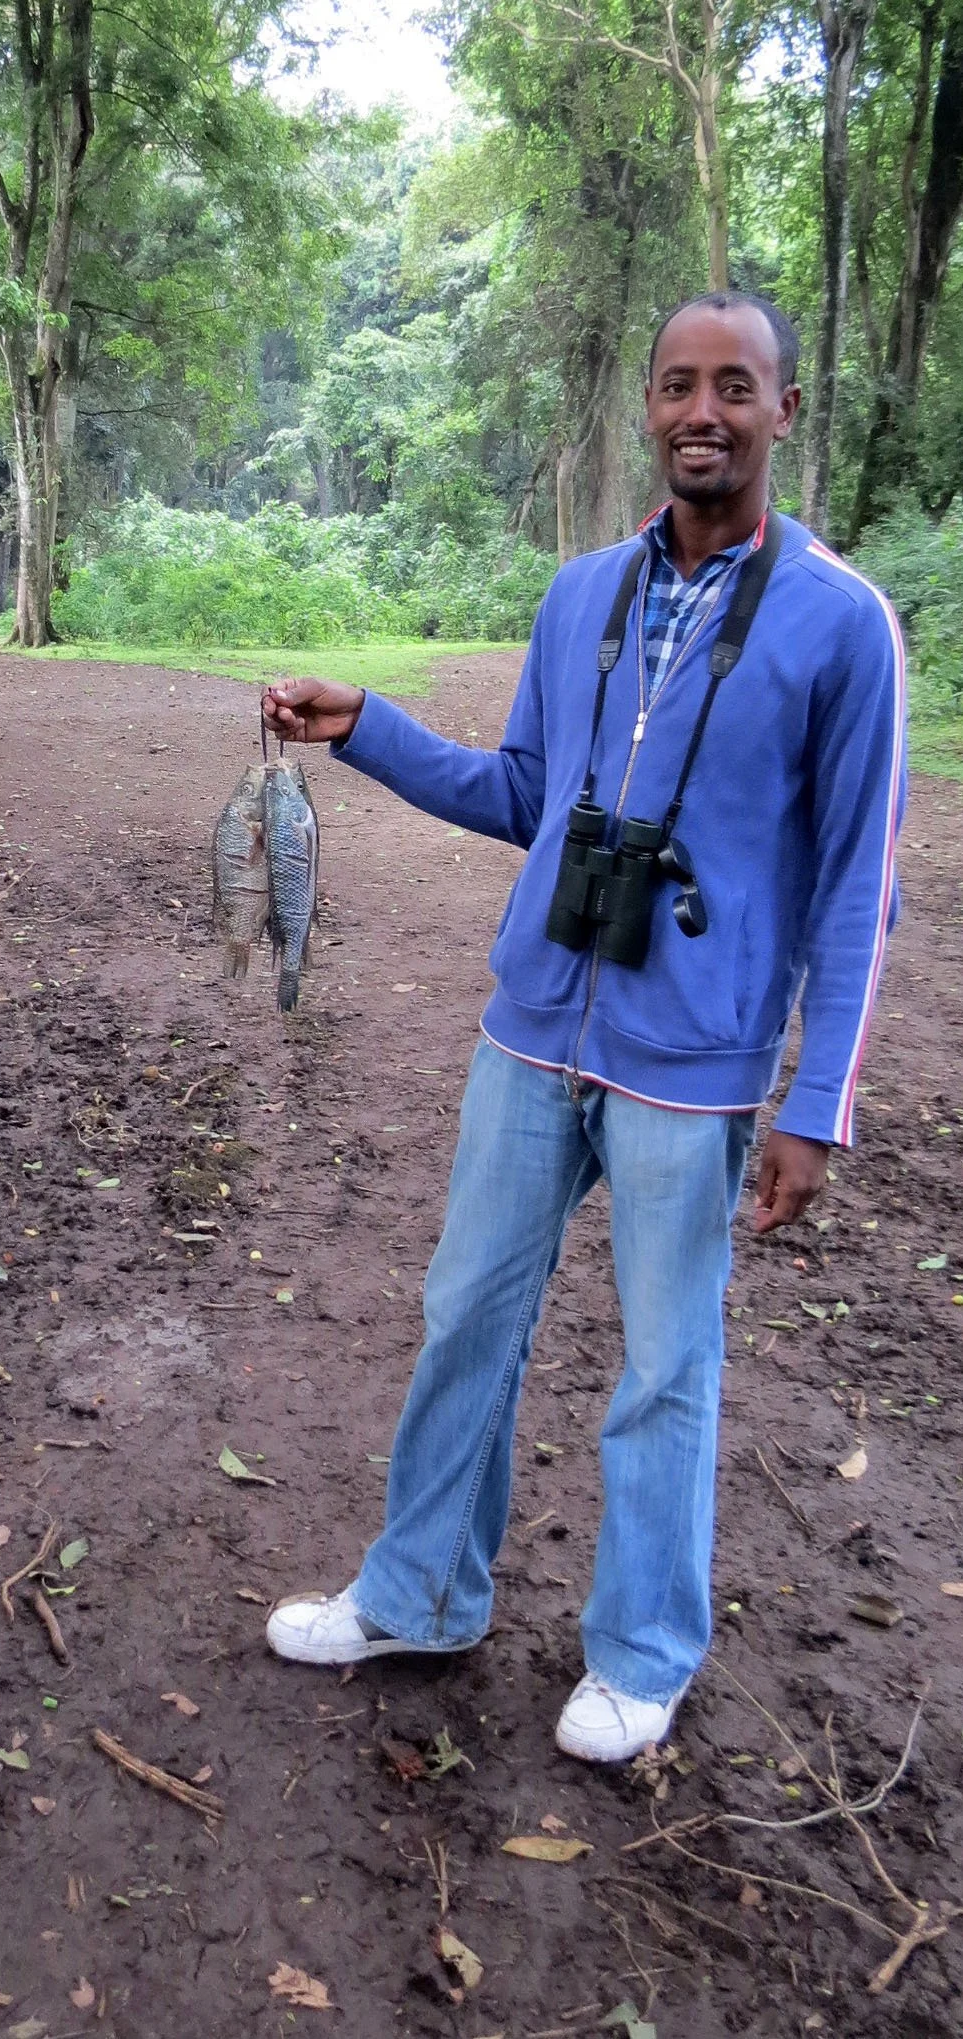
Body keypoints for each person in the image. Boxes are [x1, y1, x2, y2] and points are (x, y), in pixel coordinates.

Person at [259, 292, 906, 1763]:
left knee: (665, 1366)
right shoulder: (579, 596)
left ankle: (640, 1650)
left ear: (780, 413)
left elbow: (857, 879)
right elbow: (520, 797)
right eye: (675, 383)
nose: (700, 411)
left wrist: (816, 1101)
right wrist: (364, 726)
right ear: (645, 406)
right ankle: (419, 1590)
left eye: (732, 387)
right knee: (461, 1318)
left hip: (696, 1062)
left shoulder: (840, 624)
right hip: (534, 1029)